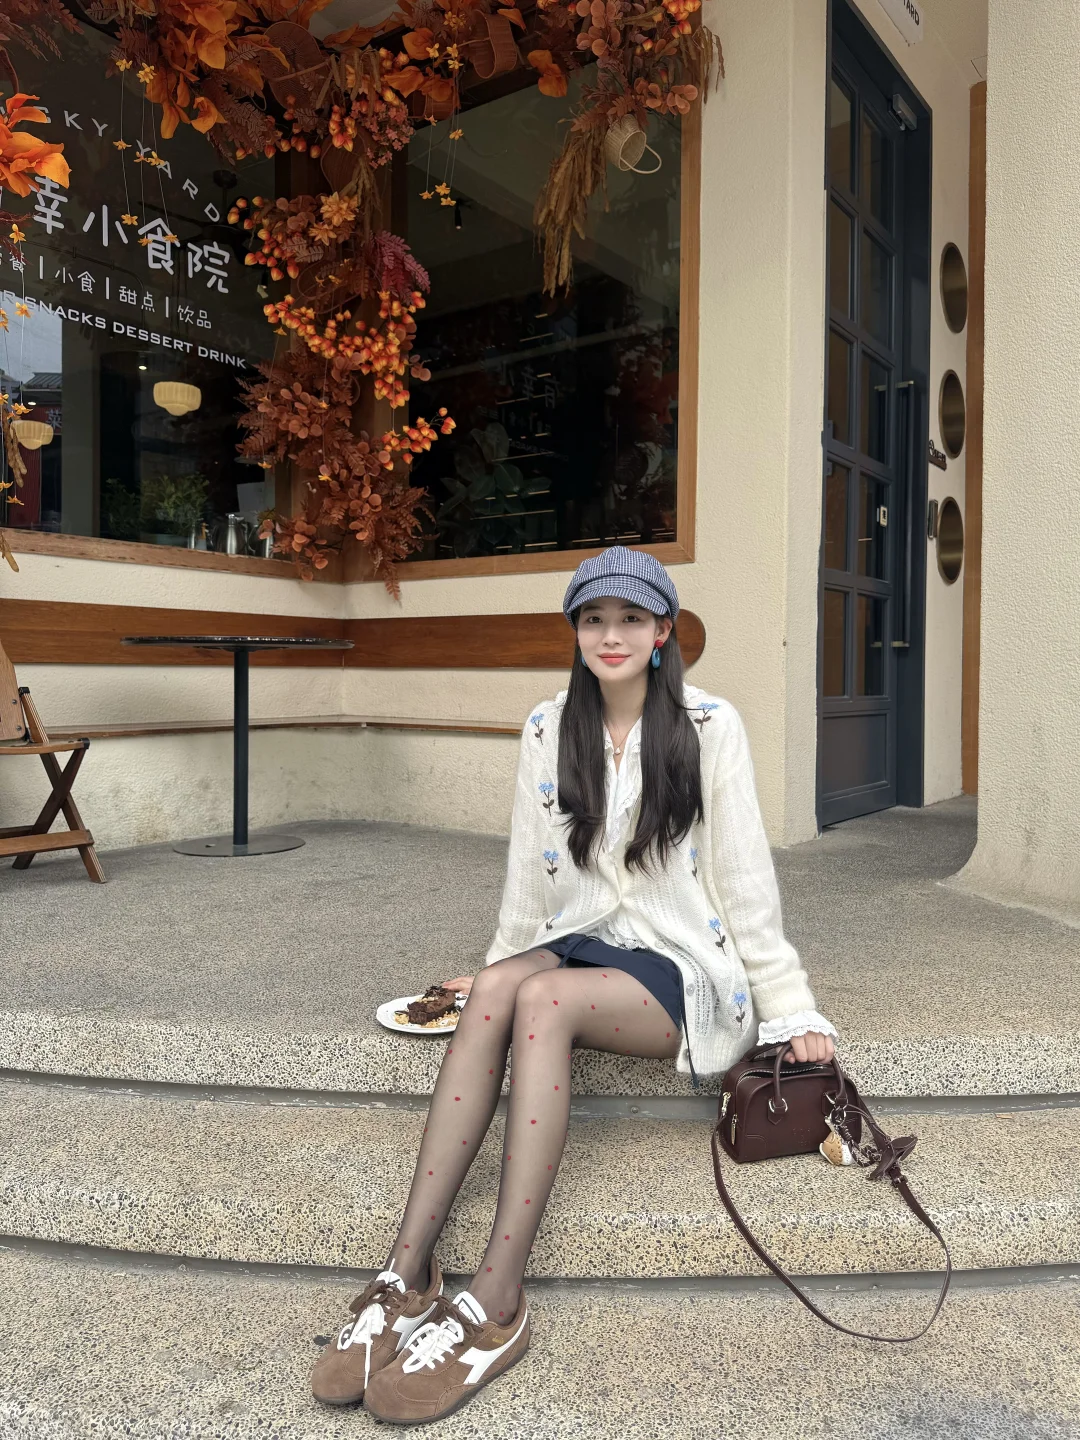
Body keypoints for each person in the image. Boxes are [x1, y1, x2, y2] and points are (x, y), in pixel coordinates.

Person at [311, 544, 839, 1425]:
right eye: (594, 619)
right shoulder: (547, 726)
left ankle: (496, 1300)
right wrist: (497, 964)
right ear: (576, 632)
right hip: (583, 939)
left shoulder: (711, 726)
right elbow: (530, 874)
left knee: (543, 1001)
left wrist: (790, 1008)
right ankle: (404, 1274)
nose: (611, 635)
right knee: (502, 991)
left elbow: (747, 880)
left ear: (664, 632)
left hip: (685, 963)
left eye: (632, 618)